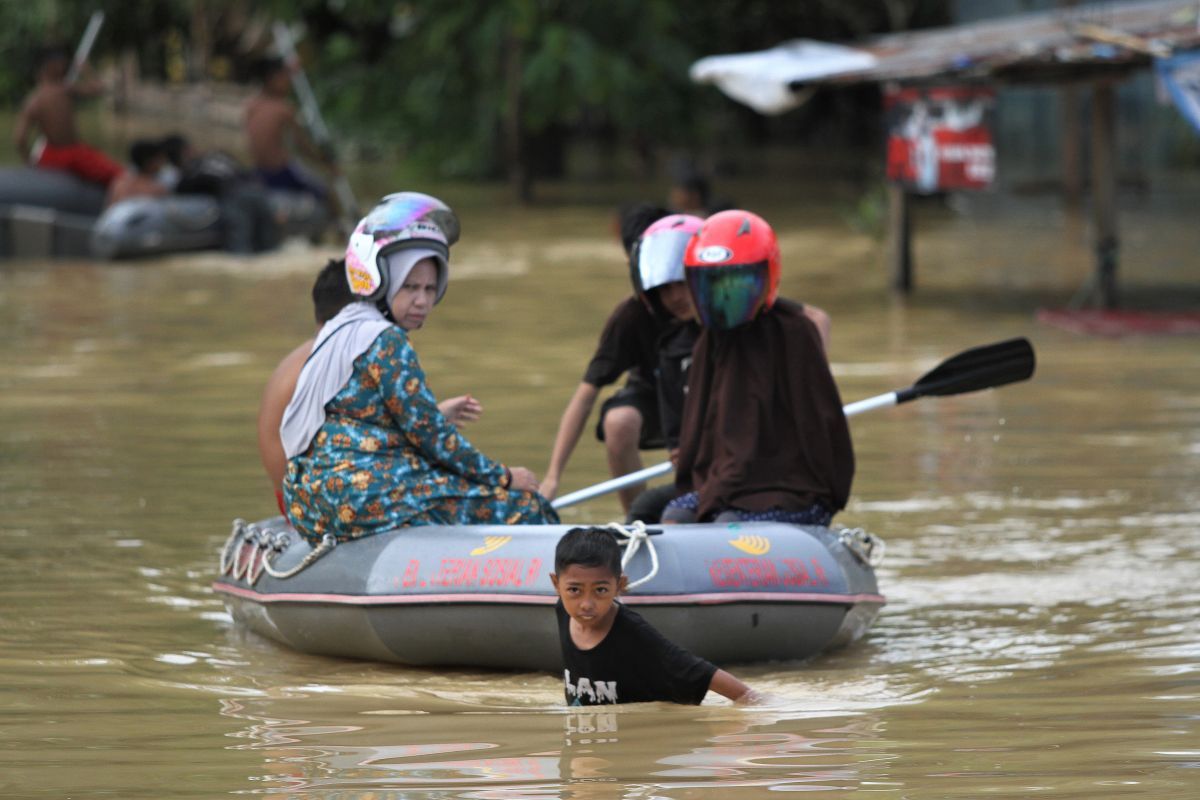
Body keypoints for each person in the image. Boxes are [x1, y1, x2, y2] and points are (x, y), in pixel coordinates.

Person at [280, 192, 556, 543]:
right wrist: (503, 477)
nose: (423, 301)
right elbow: (432, 438)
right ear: (383, 280)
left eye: (429, 288)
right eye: (410, 287)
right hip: (359, 497)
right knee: (525, 507)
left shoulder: (342, 327)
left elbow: (363, 423)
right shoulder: (387, 340)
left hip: (308, 504)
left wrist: (437, 415)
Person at [543, 203, 831, 520]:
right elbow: (589, 395)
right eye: (666, 289)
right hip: (699, 434)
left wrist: (805, 380)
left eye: (684, 285)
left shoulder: (763, 320)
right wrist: (553, 476)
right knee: (659, 506)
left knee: (727, 511)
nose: (678, 298)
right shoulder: (669, 344)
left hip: (767, 475)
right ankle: (643, 537)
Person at [663, 210, 854, 526]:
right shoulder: (711, 340)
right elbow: (705, 431)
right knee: (670, 514)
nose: (723, 299)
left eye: (736, 285)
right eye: (710, 286)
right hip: (726, 481)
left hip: (788, 487)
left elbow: (820, 428)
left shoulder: (794, 333)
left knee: (726, 525)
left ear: (766, 279)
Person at [259, 257, 486, 515]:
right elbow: (346, 449)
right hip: (307, 503)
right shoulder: (334, 362)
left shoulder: (312, 359)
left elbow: (358, 436)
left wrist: (435, 416)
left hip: (298, 497)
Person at [551, 526, 760, 706]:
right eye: (575, 590)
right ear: (556, 585)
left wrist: (751, 699)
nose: (586, 604)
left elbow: (698, 670)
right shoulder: (563, 609)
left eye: (600, 590)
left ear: (620, 587)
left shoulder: (632, 632)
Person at [13, 46, 123, 187]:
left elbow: (19, 139)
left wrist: (29, 163)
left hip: (50, 154)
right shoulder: (64, 89)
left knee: (92, 155)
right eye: (60, 63)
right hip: (71, 154)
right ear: (50, 66)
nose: (64, 66)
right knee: (120, 175)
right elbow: (100, 88)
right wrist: (87, 70)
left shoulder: (33, 100)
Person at [160, 133, 282, 253]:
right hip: (256, 191)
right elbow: (245, 172)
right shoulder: (218, 155)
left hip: (233, 197)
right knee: (268, 245)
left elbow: (181, 191)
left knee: (239, 246)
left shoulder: (189, 171)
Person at [243, 57, 335, 202]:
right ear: (273, 79)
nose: (289, 83)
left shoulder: (252, 106)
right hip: (281, 172)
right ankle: (338, 222)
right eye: (285, 78)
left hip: (259, 172)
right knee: (327, 193)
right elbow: (302, 146)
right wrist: (326, 163)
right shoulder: (283, 109)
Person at [105, 139, 169, 207]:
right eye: (159, 159)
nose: (162, 163)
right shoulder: (157, 189)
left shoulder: (120, 183)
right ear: (149, 161)